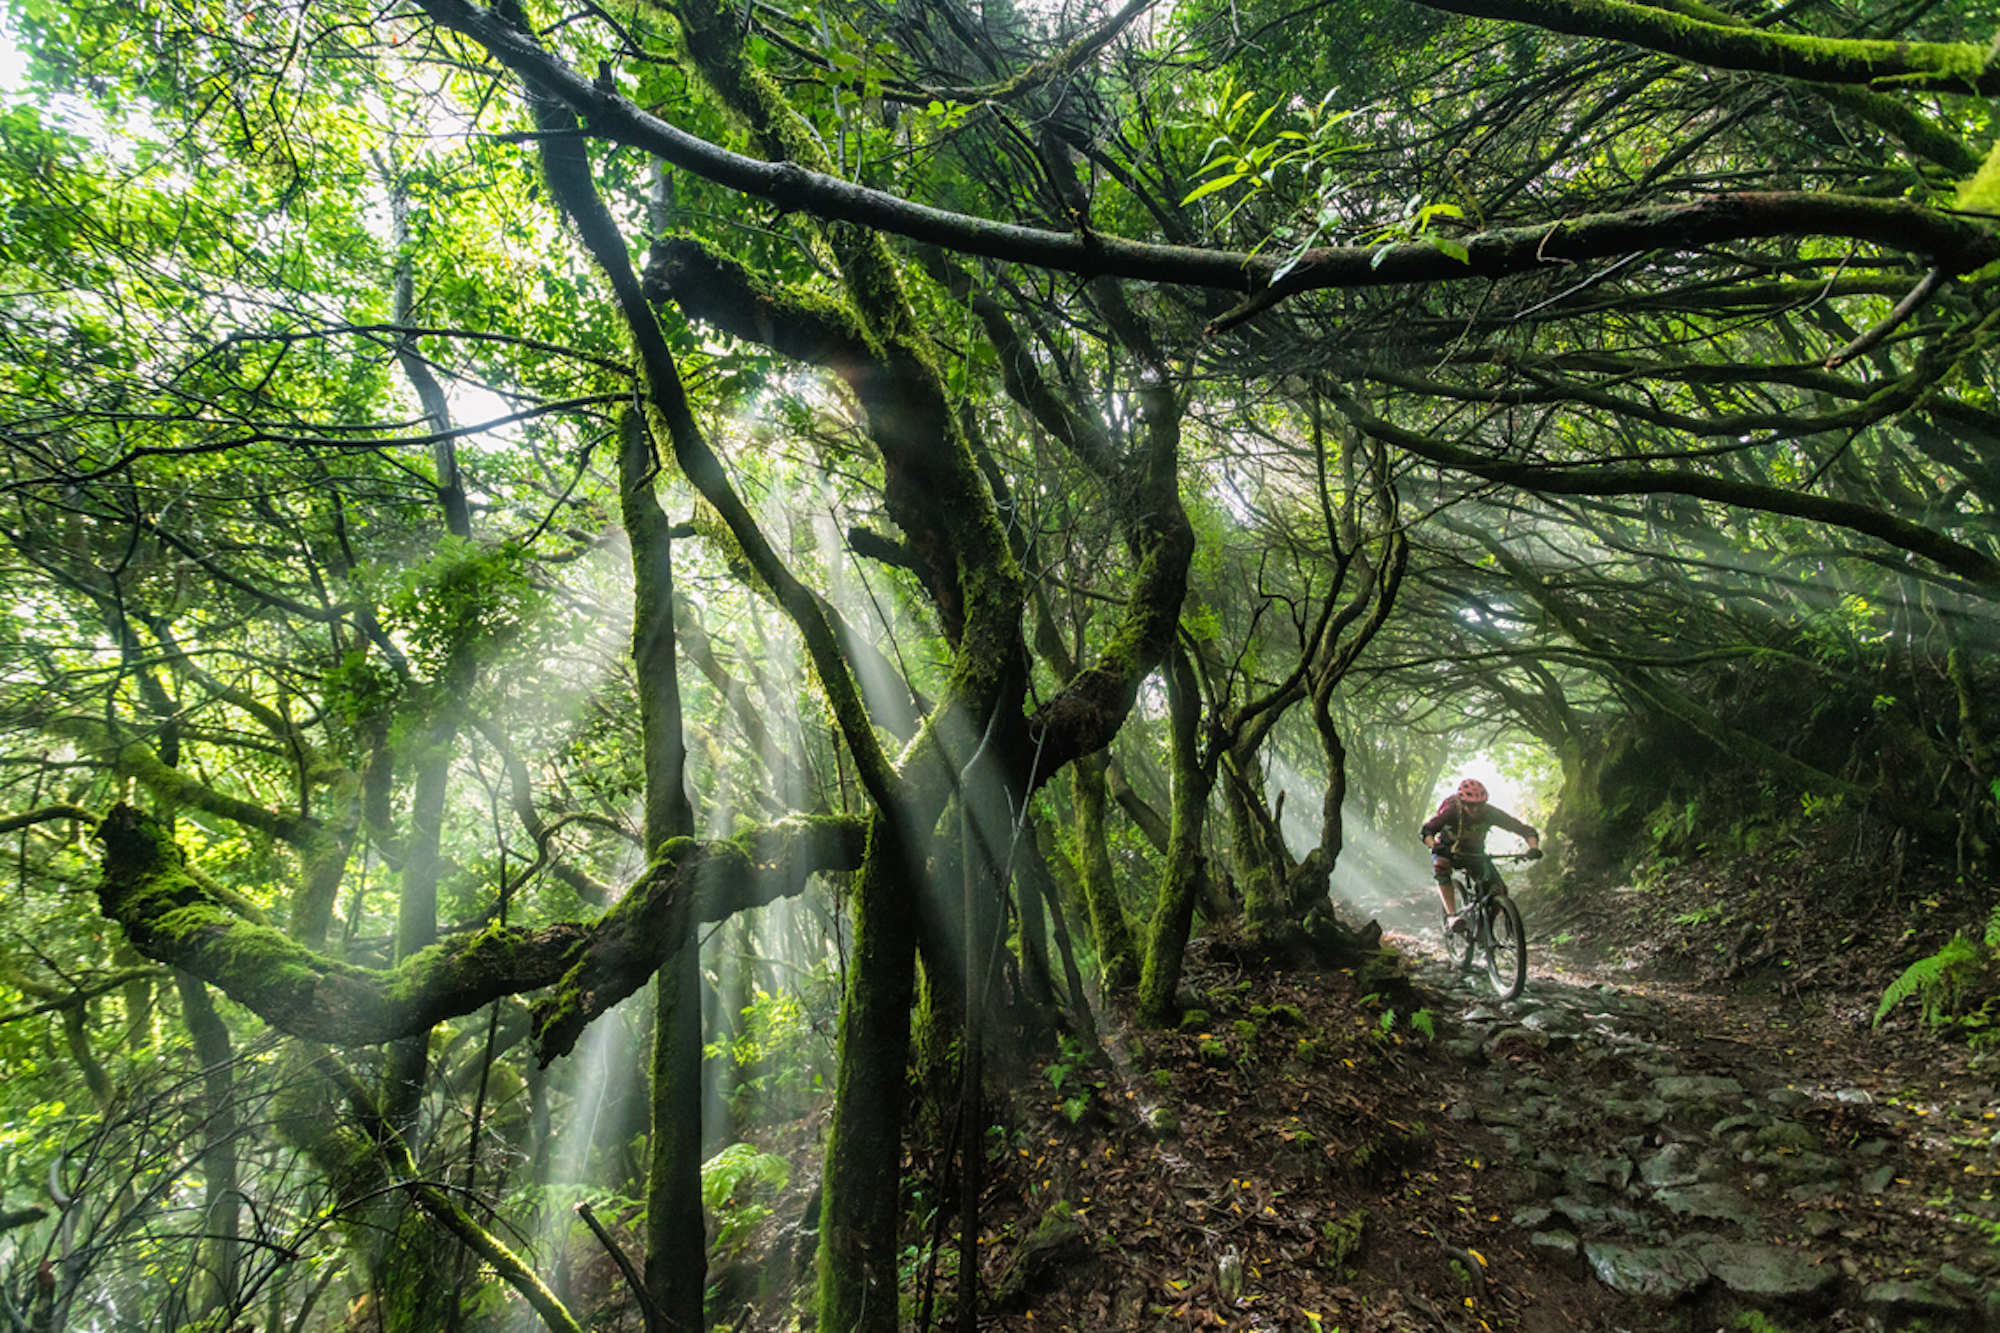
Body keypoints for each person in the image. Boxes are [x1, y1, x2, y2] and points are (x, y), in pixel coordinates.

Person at [1422, 778, 1542, 934]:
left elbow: (1525, 830)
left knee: (1498, 890)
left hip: (1475, 855)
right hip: (1448, 852)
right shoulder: (1451, 811)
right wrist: (1436, 846)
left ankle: (1485, 931)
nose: (1476, 810)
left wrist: (1533, 848)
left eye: (1480, 805)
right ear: (1463, 803)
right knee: (1441, 866)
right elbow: (1427, 831)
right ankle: (1452, 916)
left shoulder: (1489, 813)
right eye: (1471, 806)